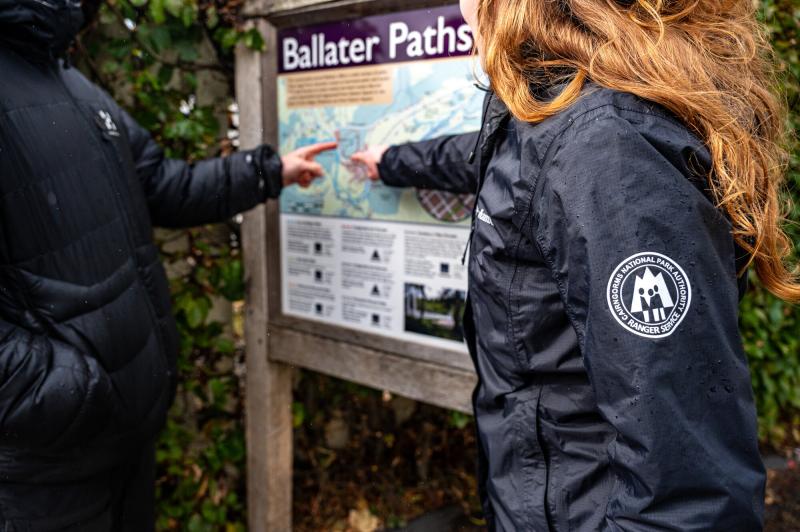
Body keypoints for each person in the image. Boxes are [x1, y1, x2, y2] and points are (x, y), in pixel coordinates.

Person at [352, 0, 798, 529]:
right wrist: (389, 163)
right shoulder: (553, 102)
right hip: (548, 496)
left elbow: (688, 496)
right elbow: (498, 160)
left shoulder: (610, 149)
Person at [0, 1, 334, 530]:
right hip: (45, 475)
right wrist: (70, 395)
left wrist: (268, 171)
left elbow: (161, 185)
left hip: (120, 445)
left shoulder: (74, 84)